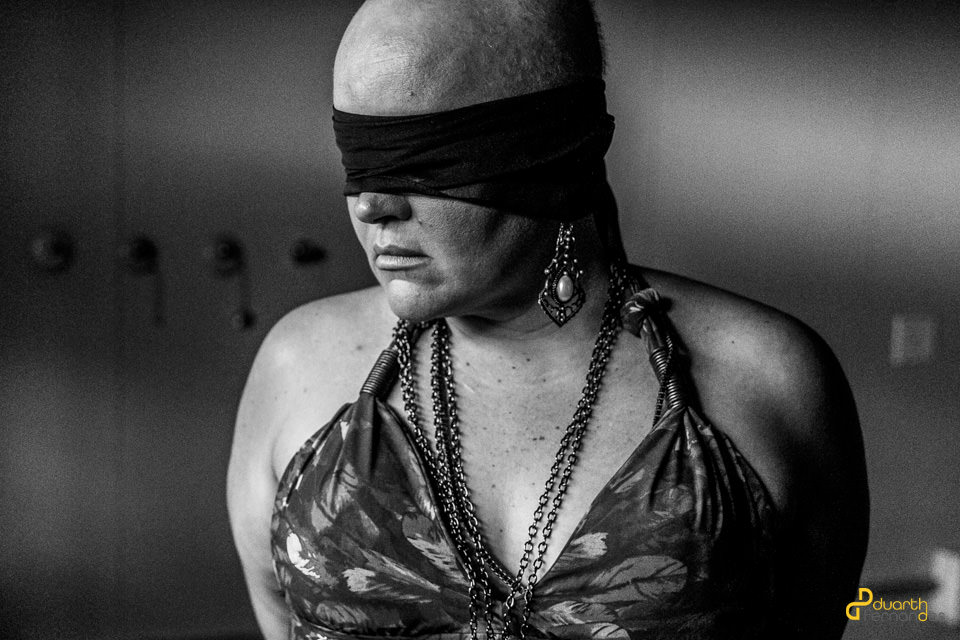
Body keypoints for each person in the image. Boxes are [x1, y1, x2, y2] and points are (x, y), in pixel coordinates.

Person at [227, 1, 869, 638]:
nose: (372, 204)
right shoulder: (297, 368)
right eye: (358, 157)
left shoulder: (768, 381)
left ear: (556, 152)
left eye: (423, 161)